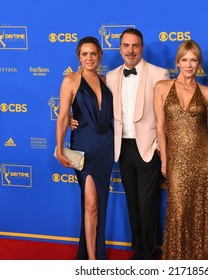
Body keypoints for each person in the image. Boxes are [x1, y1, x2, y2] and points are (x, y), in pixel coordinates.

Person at [70, 28, 170, 259]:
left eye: (135, 46)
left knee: (147, 205)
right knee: (133, 205)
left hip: (148, 148)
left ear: (141, 48)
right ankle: (137, 251)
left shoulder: (159, 73)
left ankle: (147, 256)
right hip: (120, 148)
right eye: (126, 45)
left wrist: (161, 150)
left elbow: (168, 115)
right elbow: (90, 105)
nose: (131, 50)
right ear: (120, 48)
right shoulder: (111, 76)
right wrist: (73, 121)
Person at [154, 40, 208, 260]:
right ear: (177, 62)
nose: (189, 65)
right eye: (185, 60)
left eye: (193, 60)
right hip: (176, 159)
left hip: (204, 158)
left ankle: (203, 261)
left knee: (203, 211)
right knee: (179, 210)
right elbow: (160, 126)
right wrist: (164, 159)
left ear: (199, 63)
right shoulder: (162, 87)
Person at [56, 36, 114, 260]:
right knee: (90, 203)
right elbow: (62, 117)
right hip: (84, 147)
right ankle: (91, 261)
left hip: (105, 147)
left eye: (93, 54)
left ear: (99, 56)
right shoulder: (70, 80)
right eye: (84, 54)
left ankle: (95, 252)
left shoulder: (105, 80)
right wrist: (59, 148)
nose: (89, 58)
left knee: (101, 203)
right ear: (78, 57)